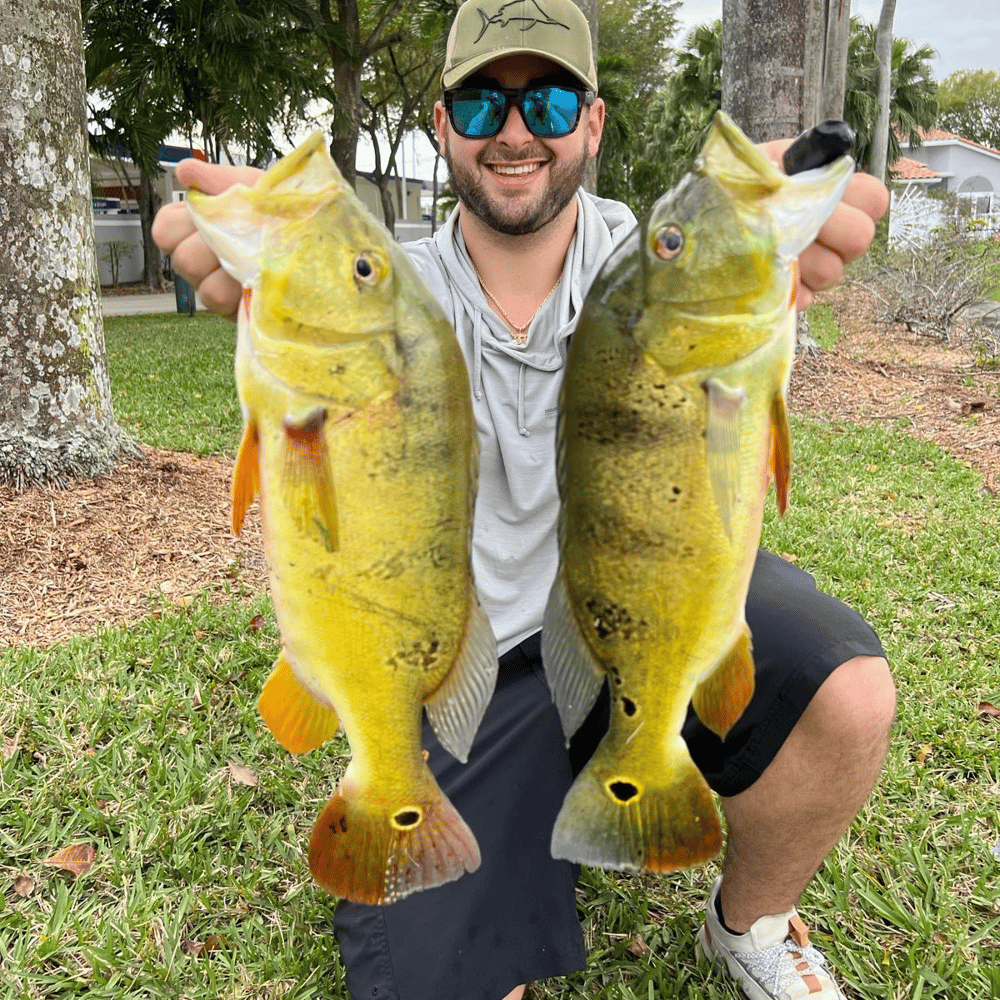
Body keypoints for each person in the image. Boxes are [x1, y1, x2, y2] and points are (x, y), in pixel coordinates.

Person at [152, 2, 895, 998]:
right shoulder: (392, 294)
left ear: (590, 123)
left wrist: (772, 232)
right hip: (476, 654)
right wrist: (249, 255)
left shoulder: (650, 264)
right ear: (439, 123)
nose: (514, 132)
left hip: (640, 611)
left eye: (545, 102)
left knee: (847, 696)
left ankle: (750, 923)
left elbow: (733, 354)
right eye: (480, 102)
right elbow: (296, 299)